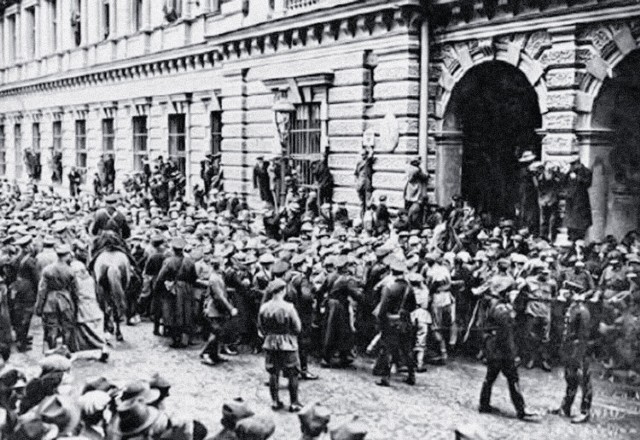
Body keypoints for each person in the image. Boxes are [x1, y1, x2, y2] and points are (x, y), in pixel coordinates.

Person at [479, 289, 537, 421]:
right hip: (503, 353)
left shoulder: (499, 308)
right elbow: (507, 338)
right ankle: (521, 410)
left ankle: (484, 404)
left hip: (493, 350)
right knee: (513, 379)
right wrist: (514, 355)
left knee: (490, 378)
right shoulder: (507, 314)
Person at [258, 279, 303, 413]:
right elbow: (297, 327)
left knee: (273, 372)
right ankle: (294, 403)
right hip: (288, 343)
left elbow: (261, 327)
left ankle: (275, 401)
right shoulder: (289, 307)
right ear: (283, 290)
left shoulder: (264, 307)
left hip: (270, 342)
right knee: (293, 373)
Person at [550, 293, 592, 424]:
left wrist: (577, 351)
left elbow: (583, 334)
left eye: (567, 291)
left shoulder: (582, 311)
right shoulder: (572, 308)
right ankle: (565, 406)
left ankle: (585, 411)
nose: (564, 293)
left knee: (583, 379)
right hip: (569, 348)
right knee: (570, 377)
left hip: (579, 349)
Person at [375, 259, 417, 387]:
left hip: (391, 322)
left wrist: (381, 322)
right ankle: (411, 375)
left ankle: (385, 378)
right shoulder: (409, 288)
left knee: (387, 349)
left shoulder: (390, 288)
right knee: (407, 349)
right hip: (405, 322)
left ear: (392, 272)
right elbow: (413, 306)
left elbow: (382, 310)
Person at [154, 238, 200, 348]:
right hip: (187, 289)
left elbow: (161, 277)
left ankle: (175, 338)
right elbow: (194, 277)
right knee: (186, 312)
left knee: (172, 313)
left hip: (173, 289)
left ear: (173, 249)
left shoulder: (169, 261)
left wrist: (158, 288)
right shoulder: (189, 261)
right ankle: (185, 338)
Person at [35, 244, 79, 351]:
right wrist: (76, 306)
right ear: (67, 255)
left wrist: (39, 306)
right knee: (67, 327)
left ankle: (52, 349)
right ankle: (65, 348)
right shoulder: (70, 271)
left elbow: (42, 290)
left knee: (51, 327)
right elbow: (75, 291)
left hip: (50, 301)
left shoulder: (47, 270)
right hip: (66, 300)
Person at [201, 257, 238, 366]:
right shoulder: (214, 278)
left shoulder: (217, 276)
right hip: (214, 308)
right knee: (215, 331)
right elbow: (219, 296)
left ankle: (214, 354)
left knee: (219, 332)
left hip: (218, 308)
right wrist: (230, 308)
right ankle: (205, 354)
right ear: (219, 266)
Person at [11, 235, 40, 352]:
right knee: (26, 315)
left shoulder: (15, 259)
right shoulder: (30, 261)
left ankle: (20, 337)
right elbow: (36, 278)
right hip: (28, 291)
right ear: (27, 247)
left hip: (17, 289)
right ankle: (21, 341)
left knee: (18, 313)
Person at [563, 157, 592, 241]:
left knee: (581, 222)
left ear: (578, 163)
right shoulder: (570, 172)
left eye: (573, 164)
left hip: (581, 200)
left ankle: (579, 238)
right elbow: (563, 183)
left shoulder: (586, 171)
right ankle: (572, 236)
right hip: (571, 201)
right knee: (571, 222)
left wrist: (577, 178)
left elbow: (588, 183)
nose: (571, 166)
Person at [354, 148, 375, 218]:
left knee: (368, 204)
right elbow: (355, 174)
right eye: (361, 155)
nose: (363, 156)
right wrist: (356, 183)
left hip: (367, 185)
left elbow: (371, 155)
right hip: (361, 185)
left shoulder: (368, 161)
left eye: (364, 154)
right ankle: (362, 220)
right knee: (362, 204)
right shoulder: (359, 163)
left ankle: (366, 220)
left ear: (366, 155)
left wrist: (370, 148)